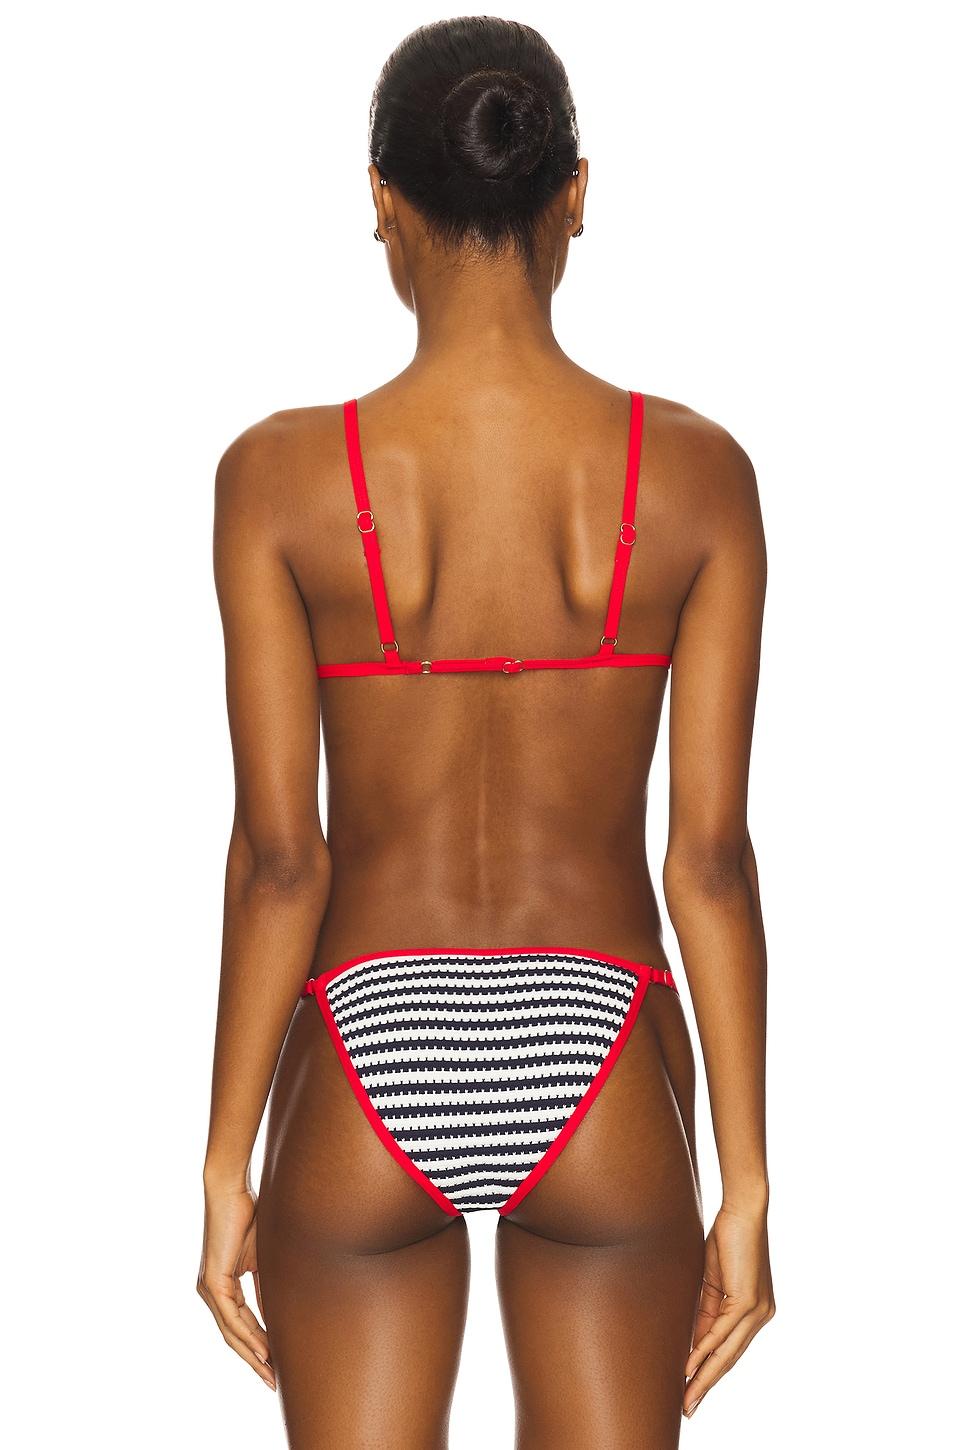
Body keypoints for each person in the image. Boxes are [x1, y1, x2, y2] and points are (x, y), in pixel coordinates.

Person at [197, 15, 774, 1448]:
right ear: (576, 193)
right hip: (602, 1040)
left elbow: (281, 861)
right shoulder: (700, 475)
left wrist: (223, 1163)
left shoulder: (277, 479)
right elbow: (709, 862)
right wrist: (748, 1183)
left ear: (380, 201)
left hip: (366, 1035)